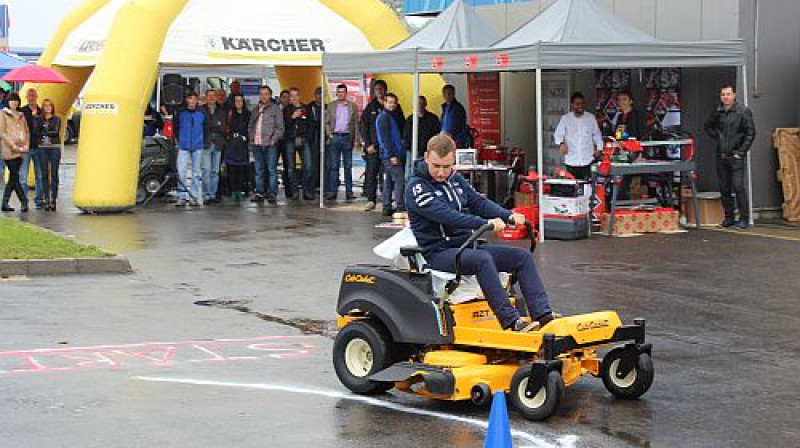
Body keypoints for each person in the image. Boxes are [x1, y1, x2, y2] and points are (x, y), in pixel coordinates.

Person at [406, 135, 556, 332]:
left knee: (522, 257)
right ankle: (511, 321)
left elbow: (478, 203)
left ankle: (543, 315)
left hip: (467, 245)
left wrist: (508, 215)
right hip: (439, 252)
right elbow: (447, 216)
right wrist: (485, 224)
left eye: (447, 166)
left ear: (454, 161)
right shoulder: (417, 187)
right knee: (482, 259)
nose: (441, 172)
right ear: (426, 157)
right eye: (436, 166)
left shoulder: (455, 179)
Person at [704, 84, 756, 230]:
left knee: (738, 186)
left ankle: (744, 218)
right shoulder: (718, 111)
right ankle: (729, 218)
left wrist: (740, 152)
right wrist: (718, 138)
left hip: (736, 156)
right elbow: (707, 126)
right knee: (724, 188)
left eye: (728, 94)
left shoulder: (743, 112)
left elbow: (750, 133)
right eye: (723, 95)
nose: (725, 97)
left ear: (734, 95)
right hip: (721, 155)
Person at [360, 79, 404, 211]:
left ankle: (386, 204)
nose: (379, 91)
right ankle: (372, 200)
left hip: (390, 149)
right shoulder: (371, 107)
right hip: (376, 148)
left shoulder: (395, 110)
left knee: (388, 178)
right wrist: (368, 144)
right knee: (373, 173)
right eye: (377, 89)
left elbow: (401, 126)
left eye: (381, 89)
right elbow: (363, 126)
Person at [554, 92, 603, 181]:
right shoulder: (565, 118)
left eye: (582, 103)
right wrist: (561, 144)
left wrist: (599, 149)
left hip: (587, 160)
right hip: (571, 161)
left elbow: (597, 135)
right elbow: (558, 134)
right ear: (572, 105)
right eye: (577, 104)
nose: (580, 106)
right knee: (573, 188)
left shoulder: (590, 118)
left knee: (587, 188)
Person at [248, 85, 284, 204]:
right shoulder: (255, 109)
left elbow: (280, 127)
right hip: (257, 143)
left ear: (270, 95)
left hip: (270, 144)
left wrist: (273, 140)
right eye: (261, 94)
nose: (263, 96)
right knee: (259, 169)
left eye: (266, 94)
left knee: (271, 169)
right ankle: (259, 192)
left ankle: (272, 193)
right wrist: (251, 137)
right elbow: (251, 125)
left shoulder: (275, 109)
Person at [324, 84, 360, 201]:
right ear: (336, 93)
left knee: (348, 165)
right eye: (338, 92)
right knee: (333, 166)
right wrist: (329, 134)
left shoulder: (352, 106)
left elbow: (356, 124)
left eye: (342, 92)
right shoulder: (331, 106)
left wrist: (356, 140)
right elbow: (327, 122)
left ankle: (349, 192)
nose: (340, 94)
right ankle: (333, 191)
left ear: (346, 93)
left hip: (347, 137)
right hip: (335, 136)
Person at [608, 90, 646, 200]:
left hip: (636, 155)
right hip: (623, 154)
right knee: (620, 183)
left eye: (624, 99)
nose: (621, 102)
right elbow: (617, 135)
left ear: (631, 101)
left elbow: (643, 135)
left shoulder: (637, 115)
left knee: (633, 184)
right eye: (619, 100)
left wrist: (640, 153)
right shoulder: (620, 117)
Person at [173, 91, 206, 206]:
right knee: (181, 171)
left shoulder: (202, 113)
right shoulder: (180, 113)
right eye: (190, 98)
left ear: (197, 100)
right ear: (186, 100)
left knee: (197, 172)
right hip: (183, 145)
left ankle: (194, 196)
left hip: (198, 145)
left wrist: (203, 142)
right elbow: (175, 127)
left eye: (194, 98)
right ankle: (182, 196)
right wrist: (178, 140)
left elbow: (205, 128)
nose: (192, 101)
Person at [376, 93, 406, 216]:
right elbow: (385, 138)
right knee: (399, 179)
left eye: (394, 102)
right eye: (390, 102)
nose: (392, 104)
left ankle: (386, 206)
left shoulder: (388, 116)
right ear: (384, 102)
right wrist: (392, 155)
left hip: (389, 154)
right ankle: (400, 206)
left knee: (389, 180)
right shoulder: (384, 117)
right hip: (390, 155)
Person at [283, 88, 314, 200]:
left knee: (308, 166)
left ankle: (306, 190)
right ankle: (294, 190)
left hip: (304, 139)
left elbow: (311, 125)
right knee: (291, 168)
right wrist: (292, 117)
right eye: (292, 96)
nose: (294, 98)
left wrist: (307, 138)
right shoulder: (286, 110)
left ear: (299, 96)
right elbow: (284, 126)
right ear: (289, 98)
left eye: (296, 95)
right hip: (290, 140)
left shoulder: (306, 108)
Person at [1, 93, 30, 213]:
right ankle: (24, 202)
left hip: (21, 150)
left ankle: (4, 203)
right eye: (12, 100)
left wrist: (26, 145)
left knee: (14, 177)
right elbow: (2, 132)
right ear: (8, 102)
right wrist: (13, 145)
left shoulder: (21, 116)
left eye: (16, 101)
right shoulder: (3, 114)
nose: (14, 103)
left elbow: (26, 132)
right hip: (9, 150)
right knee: (15, 176)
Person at [403, 95, 440, 181]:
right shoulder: (410, 119)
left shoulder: (432, 118)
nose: (420, 105)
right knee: (409, 174)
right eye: (418, 103)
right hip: (411, 151)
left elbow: (436, 135)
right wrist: (408, 147)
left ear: (425, 104)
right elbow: (406, 135)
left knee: (426, 173)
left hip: (427, 151)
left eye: (422, 103)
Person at [20, 88, 44, 208]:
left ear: (37, 97)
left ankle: (39, 201)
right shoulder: (22, 111)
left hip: (39, 148)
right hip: (26, 147)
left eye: (33, 95)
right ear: (26, 97)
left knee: (40, 176)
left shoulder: (41, 111)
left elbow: (43, 128)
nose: (31, 97)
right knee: (23, 176)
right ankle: (24, 201)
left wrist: (36, 118)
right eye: (29, 95)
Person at [36, 99, 62, 211]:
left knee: (54, 173)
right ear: (43, 107)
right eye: (45, 106)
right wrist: (43, 130)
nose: (47, 108)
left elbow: (55, 132)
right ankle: (46, 199)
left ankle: (53, 200)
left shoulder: (57, 119)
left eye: (49, 106)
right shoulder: (39, 119)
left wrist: (44, 131)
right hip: (42, 148)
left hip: (54, 147)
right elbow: (36, 132)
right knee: (44, 173)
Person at [225, 94, 251, 202]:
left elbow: (250, 128)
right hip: (232, 145)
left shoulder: (248, 114)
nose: (238, 103)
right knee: (231, 169)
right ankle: (233, 191)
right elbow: (227, 128)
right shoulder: (230, 114)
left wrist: (247, 138)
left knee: (241, 170)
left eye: (240, 101)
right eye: (236, 101)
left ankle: (239, 190)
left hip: (243, 145)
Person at [203, 89, 227, 203]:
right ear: (206, 97)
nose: (212, 98)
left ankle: (213, 194)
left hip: (218, 143)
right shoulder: (201, 110)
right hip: (206, 143)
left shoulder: (221, 111)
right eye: (209, 96)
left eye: (213, 96)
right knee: (206, 170)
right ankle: (206, 194)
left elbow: (223, 128)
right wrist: (215, 125)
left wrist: (214, 126)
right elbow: (203, 127)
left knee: (215, 171)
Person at [307, 87, 323, 193]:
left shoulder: (326, 107)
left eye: (322, 94)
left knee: (323, 162)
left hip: (323, 137)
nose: (320, 97)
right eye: (318, 94)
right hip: (312, 137)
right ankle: (312, 185)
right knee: (312, 162)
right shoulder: (309, 107)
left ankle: (321, 184)